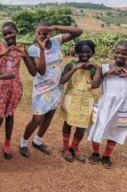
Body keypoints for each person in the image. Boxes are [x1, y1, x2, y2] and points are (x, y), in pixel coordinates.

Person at [19, 21, 83, 158]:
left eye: (46, 31)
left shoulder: (56, 41)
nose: (43, 34)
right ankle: (23, 143)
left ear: (50, 31)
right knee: (37, 118)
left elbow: (78, 31)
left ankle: (38, 141)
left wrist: (55, 27)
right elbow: (41, 71)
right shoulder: (33, 49)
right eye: (40, 31)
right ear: (36, 32)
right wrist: (42, 49)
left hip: (57, 87)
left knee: (49, 115)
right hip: (42, 88)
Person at [88, 40, 127, 168]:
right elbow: (95, 84)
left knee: (116, 129)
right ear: (114, 52)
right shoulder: (103, 67)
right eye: (118, 52)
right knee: (98, 126)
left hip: (123, 104)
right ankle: (95, 152)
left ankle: (107, 155)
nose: (120, 55)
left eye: (124, 53)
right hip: (105, 103)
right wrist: (108, 73)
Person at [0, 22, 36, 160]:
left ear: (16, 31)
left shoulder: (22, 49)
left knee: (10, 115)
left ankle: (7, 144)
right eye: (5, 34)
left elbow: (33, 72)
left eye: (10, 33)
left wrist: (25, 56)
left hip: (15, 87)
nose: (8, 36)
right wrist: (1, 57)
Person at [59, 40, 101, 163]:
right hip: (71, 99)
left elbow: (96, 84)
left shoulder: (94, 68)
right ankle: (65, 147)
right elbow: (62, 81)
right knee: (68, 123)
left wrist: (97, 69)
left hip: (86, 101)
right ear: (77, 52)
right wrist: (75, 68)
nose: (84, 54)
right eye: (81, 52)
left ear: (92, 52)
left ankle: (74, 147)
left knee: (82, 126)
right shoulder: (71, 65)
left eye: (88, 52)